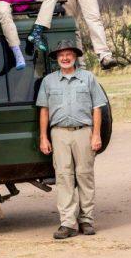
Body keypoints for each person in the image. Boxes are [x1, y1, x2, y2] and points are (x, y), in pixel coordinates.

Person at [36, 40, 107, 239]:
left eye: (68, 54)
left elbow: (97, 108)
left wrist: (96, 134)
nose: (65, 58)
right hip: (59, 133)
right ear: (56, 59)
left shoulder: (88, 78)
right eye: (61, 55)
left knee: (85, 175)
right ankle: (68, 223)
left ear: (75, 57)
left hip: (84, 132)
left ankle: (86, 220)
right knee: (63, 177)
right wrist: (44, 137)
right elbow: (44, 110)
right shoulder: (48, 81)